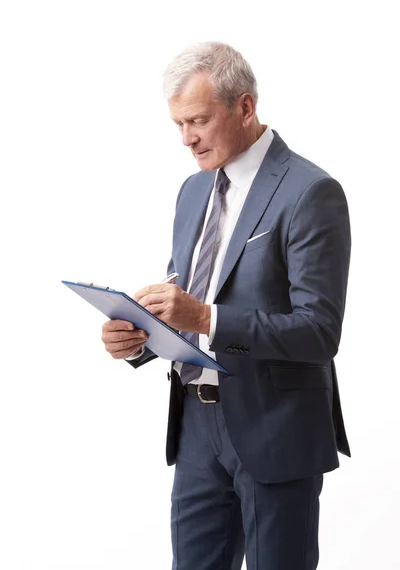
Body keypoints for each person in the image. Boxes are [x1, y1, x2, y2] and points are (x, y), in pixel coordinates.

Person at [101, 42, 351, 570]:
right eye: (178, 124)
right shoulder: (193, 191)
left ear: (244, 107)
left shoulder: (310, 192)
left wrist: (206, 318)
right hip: (195, 426)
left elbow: (319, 332)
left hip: (276, 428)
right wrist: (138, 337)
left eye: (198, 120)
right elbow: (182, 292)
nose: (188, 137)